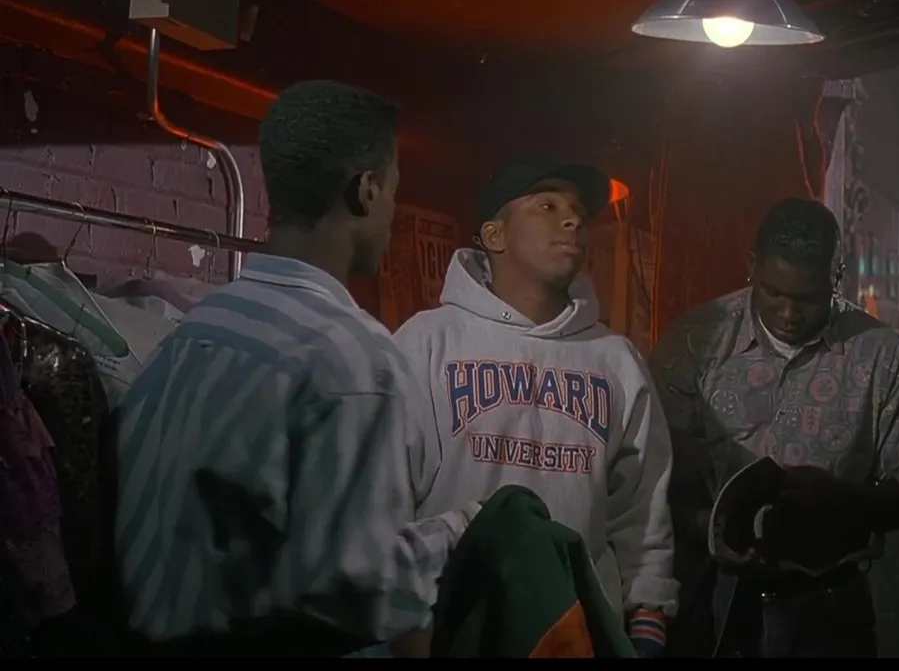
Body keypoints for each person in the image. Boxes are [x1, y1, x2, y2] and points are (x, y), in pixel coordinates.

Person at [112, 81, 475, 656]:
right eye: (393, 191)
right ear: (366, 190)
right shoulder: (356, 361)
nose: (392, 212)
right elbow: (362, 594)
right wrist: (461, 532)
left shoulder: (191, 334)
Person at [392, 157, 679, 656]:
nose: (572, 220)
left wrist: (647, 623)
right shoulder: (428, 342)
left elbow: (643, 506)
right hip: (453, 627)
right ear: (495, 235)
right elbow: (388, 496)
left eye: (577, 211)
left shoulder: (616, 360)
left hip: (577, 634)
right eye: (547, 206)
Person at [650, 197, 899, 658]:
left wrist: (843, 501)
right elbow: (652, 472)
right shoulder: (694, 342)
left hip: (829, 611)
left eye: (807, 299)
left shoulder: (884, 359)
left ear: (836, 277)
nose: (788, 313)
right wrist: (709, 526)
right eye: (772, 292)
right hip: (707, 600)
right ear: (751, 267)